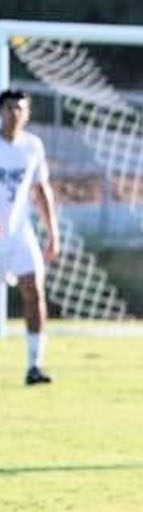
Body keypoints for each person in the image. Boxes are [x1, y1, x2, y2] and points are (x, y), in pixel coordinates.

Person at [0, 89, 60, 385]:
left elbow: (41, 190)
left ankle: (34, 365)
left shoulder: (32, 146)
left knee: (34, 291)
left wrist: (53, 232)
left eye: (19, 109)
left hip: (19, 233)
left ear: (27, 114)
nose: (14, 114)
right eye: (9, 108)